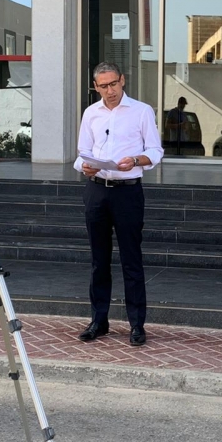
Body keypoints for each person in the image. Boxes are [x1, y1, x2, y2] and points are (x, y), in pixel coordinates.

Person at [74, 63, 163, 347]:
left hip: (127, 192)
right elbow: (81, 153)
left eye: (113, 84)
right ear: (95, 86)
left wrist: (136, 160)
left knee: (131, 260)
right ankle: (99, 321)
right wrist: (85, 166)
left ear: (122, 81)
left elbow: (155, 150)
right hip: (96, 191)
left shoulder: (141, 111)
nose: (109, 91)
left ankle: (137, 325)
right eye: (103, 86)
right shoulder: (91, 113)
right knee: (98, 261)